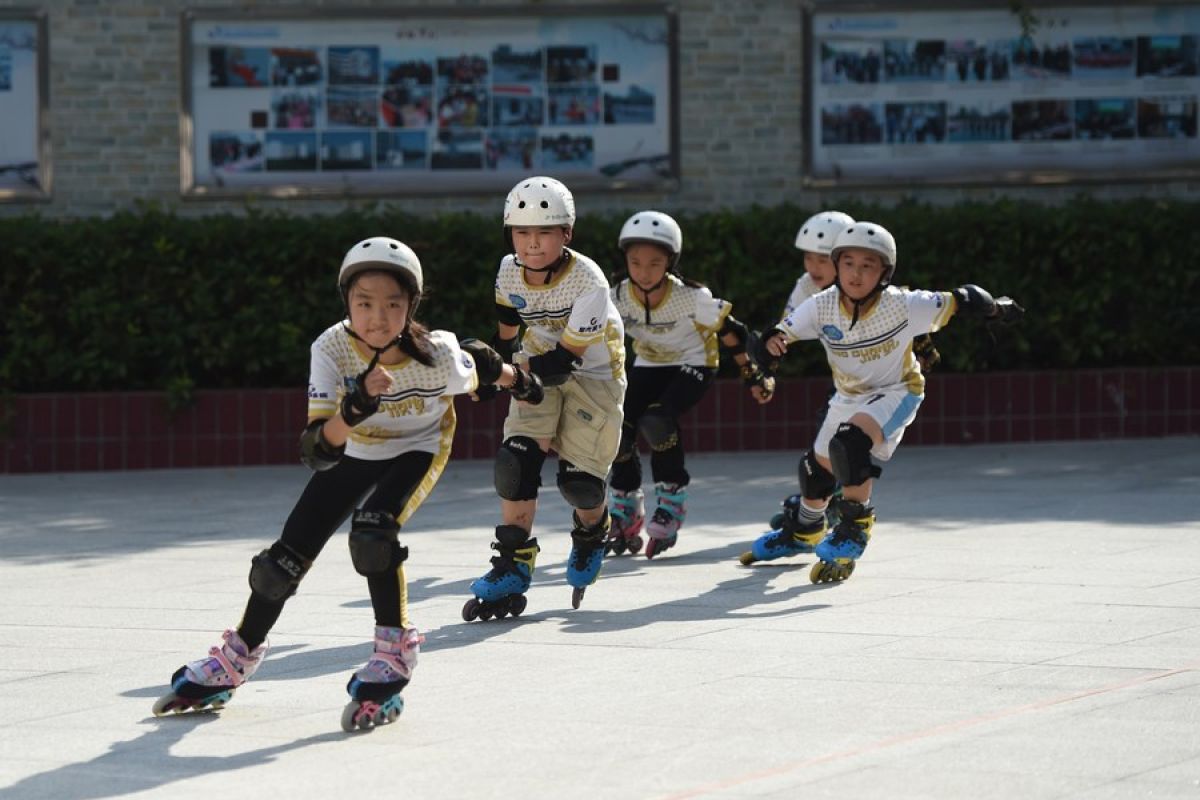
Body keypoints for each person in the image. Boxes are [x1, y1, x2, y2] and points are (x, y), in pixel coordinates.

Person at [153, 236, 543, 730]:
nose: (377, 317)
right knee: (278, 565)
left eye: (392, 305)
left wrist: (523, 383)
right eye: (364, 304)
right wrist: (355, 407)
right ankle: (237, 658)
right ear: (346, 305)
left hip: (418, 447)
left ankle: (394, 650)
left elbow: (484, 368)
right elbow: (316, 449)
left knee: (373, 534)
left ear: (410, 308)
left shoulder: (437, 354)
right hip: (354, 447)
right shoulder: (332, 349)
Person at [739, 221, 1022, 582]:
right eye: (848, 263)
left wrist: (997, 309)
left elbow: (961, 298)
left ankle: (853, 529)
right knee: (815, 468)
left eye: (867, 266)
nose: (856, 274)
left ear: (884, 272)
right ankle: (804, 530)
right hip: (849, 394)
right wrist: (771, 346)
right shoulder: (820, 306)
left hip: (897, 390)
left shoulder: (903, 305)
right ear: (837, 265)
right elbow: (781, 332)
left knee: (850, 445)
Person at [463, 176, 626, 618]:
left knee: (580, 485)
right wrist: (489, 373)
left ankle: (593, 530)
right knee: (515, 460)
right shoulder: (508, 269)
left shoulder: (588, 281)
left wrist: (504, 374)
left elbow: (562, 363)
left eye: (544, 232)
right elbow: (507, 323)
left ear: (566, 234)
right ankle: (513, 563)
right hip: (536, 358)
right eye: (522, 232)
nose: (532, 244)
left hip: (592, 371)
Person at [606, 210, 774, 558]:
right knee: (618, 424)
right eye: (635, 262)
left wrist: (751, 374)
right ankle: (624, 505)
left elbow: (731, 332)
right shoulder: (617, 295)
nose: (644, 271)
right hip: (650, 362)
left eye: (654, 263)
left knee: (657, 420)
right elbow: (595, 335)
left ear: (670, 262)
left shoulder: (691, 296)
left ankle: (671, 500)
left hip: (694, 362)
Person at [762, 210, 940, 537]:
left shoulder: (882, 293)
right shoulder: (808, 289)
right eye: (809, 259)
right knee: (819, 452)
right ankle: (817, 505)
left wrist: (923, 346)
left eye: (822, 261)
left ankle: (836, 506)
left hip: (884, 383)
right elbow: (787, 327)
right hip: (847, 379)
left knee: (846, 443)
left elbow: (906, 318)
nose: (814, 268)